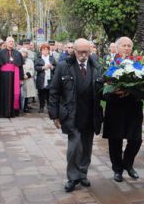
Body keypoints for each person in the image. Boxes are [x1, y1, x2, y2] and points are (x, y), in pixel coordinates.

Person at [48, 38, 104, 192]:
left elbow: (103, 90)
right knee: (74, 147)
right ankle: (73, 177)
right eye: (80, 52)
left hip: (91, 114)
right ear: (74, 51)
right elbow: (54, 91)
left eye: (86, 51)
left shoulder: (97, 66)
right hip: (72, 114)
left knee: (87, 147)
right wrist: (54, 115)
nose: (83, 55)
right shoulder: (63, 66)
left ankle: (83, 173)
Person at [103, 37, 143, 183]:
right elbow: (101, 88)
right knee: (115, 140)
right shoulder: (108, 64)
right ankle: (117, 169)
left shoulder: (139, 64)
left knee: (136, 139)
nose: (127, 48)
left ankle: (128, 163)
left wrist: (131, 91)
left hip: (133, 108)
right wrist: (113, 91)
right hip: (115, 108)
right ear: (117, 47)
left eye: (129, 46)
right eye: (124, 45)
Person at [0, 36, 24, 118]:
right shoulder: (0, 53)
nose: (11, 43)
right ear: (6, 43)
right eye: (10, 41)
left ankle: (13, 112)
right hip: (4, 77)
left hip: (15, 77)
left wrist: (21, 78)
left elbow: (20, 67)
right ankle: (4, 112)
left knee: (14, 94)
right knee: (4, 94)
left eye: (12, 41)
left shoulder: (18, 53)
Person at [34, 43, 57, 113]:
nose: (45, 51)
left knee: (49, 94)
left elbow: (56, 67)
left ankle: (50, 108)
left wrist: (52, 67)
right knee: (41, 94)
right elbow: (36, 67)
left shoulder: (52, 58)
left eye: (46, 49)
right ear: (41, 50)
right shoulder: (38, 58)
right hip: (41, 79)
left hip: (50, 79)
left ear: (49, 50)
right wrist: (43, 67)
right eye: (43, 50)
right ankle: (41, 107)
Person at [20, 48, 36, 113]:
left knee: (27, 94)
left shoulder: (30, 61)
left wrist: (27, 75)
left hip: (28, 79)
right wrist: (21, 75)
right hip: (20, 79)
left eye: (25, 52)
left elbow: (32, 69)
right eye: (22, 52)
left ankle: (25, 106)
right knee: (20, 94)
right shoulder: (18, 60)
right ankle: (20, 107)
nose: (24, 53)